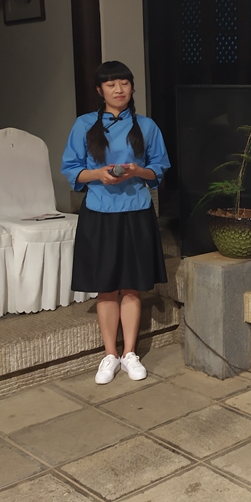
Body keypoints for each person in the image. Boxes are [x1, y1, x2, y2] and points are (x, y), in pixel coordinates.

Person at [61, 61, 170, 384]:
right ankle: (110, 354)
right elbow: (71, 169)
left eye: (124, 83)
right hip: (99, 213)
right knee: (106, 287)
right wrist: (98, 174)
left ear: (132, 87)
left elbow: (158, 169)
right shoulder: (84, 124)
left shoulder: (146, 126)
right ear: (100, 90)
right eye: (110, 85)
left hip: (137, 211)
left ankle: (130, 353)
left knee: (132, 285)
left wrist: (137, 171)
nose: (118, 90)